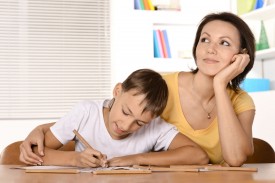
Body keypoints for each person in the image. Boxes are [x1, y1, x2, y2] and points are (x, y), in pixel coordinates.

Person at [19, 69, 208, 167]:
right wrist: (75, 159)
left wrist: (137, 158)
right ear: (118, 91)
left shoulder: (154, 127)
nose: (126, 125)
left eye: (139, 123)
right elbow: (35, 154)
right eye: (126, 112)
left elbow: (199, 156)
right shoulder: (86, 112)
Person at [161, 12, 255, 167]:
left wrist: (219, 85)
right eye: (205, 40)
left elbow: (236, 158)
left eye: (224, 43)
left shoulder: (241, 101)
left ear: (242, 55)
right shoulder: (162, 87)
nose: (211, 49)